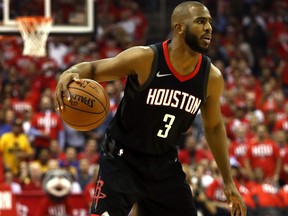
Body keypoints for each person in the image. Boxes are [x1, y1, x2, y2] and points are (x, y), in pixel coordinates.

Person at [54, 1, 246, 216]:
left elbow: (214, 128)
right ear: (179, 28)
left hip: (164, 166)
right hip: (122, 160)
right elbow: (94, 68)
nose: (209, 27)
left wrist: (228, 182)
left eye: (210, 22)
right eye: (201, 21)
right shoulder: (146, 58)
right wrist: (71, 72)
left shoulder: (211, 78)